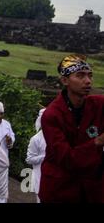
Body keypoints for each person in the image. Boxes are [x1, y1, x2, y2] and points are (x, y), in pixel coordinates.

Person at [39, 54, 104, 203]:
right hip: (60, 189)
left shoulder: (98, 105)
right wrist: (97, 142)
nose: (87, 81)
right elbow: (67, 158)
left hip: (92, 190)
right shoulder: (52, 115)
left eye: (90, 76)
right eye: (80, 76)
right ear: (65, 80)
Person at [26, 108, 46, 203]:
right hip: (40, 177)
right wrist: (45, 157)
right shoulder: (36, 139)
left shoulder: (58, 137)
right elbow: (29, 159)